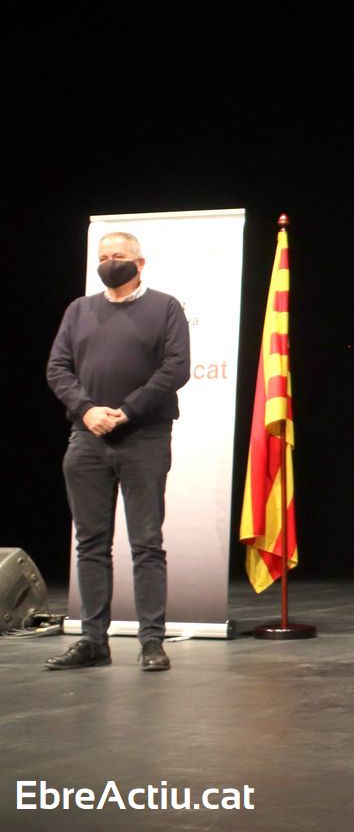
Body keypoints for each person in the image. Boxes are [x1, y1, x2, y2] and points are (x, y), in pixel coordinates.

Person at [44, 231, 190, 672]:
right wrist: (87, 410)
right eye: (104, 256)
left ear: (140, 263)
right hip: (87, 437)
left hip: (144, 437)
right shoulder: (79, 309)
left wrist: (127, 411)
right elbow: (57, 368)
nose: (110, 262)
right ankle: (93, 640)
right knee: (90, 543)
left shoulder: (165, 307)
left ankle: (151, 641)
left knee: (146, 542)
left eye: (119, 256)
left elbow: (175, 368)